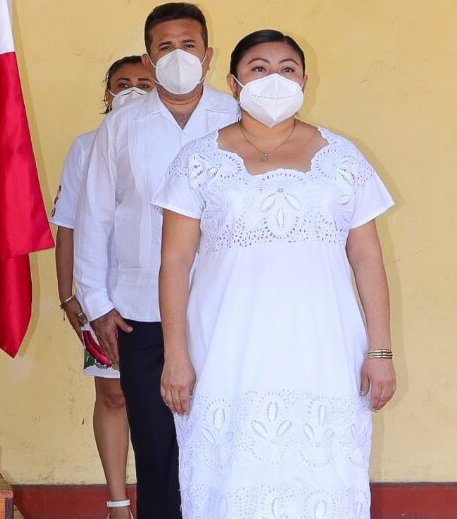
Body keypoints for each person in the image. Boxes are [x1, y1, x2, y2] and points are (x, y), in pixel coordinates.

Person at [155, 30, 396, 517]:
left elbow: (368, 258)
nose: (275, 79)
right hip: (225, 349)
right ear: (233, 82)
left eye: (287, 69)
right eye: (259, 69)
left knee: (322, 476)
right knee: (229, 476)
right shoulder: (199, 160)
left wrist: (380, 351)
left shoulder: (342, 158)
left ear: (304, 81)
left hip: (324, 350)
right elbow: (175, 262)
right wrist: (175, 354)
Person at [74, 3, 239, 518]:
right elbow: (94, 214)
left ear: (208, 55)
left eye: (188, 45)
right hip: (139, 312)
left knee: (222, 445)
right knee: (157, 449)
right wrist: (97, 303)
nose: (178, 56)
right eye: (165, 47)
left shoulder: (238, 120)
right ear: (149, 59)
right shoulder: (122, 127)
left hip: (223, 309)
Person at [52, 55, 152, 518]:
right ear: (107, 93)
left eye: (143, 84)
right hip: (105, 298)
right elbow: (68, 225)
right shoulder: (86, 146)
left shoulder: (180, 142)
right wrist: (68, 296)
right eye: (122, 83)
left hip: (166, 296)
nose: (131, 91)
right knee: (113, 395)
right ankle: (117, 503)